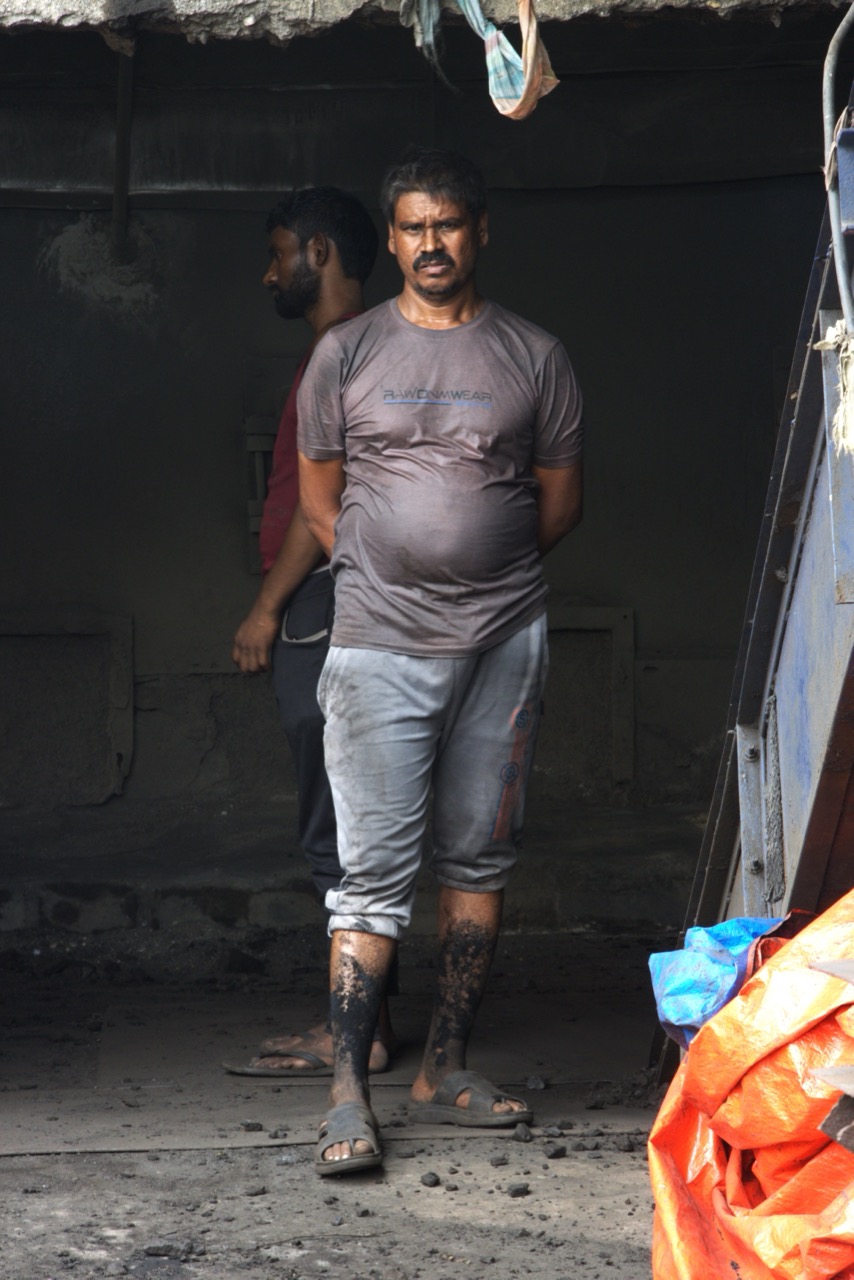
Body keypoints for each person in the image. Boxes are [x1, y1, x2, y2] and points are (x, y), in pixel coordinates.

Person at [297, 148, 584, 1175]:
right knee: (371, 877)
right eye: (413, 227)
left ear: (479, 231)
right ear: (390, 237)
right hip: (376, 643)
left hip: (503, 639)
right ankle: (346, 1092)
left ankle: (444, 1065)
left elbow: (555, 502)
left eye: (448, 225)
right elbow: (320, 497)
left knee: (477, 859)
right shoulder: (343, 354)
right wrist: (395, 573)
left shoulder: (534, 356)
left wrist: (474, 578)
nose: (430, 244)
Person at [225, 187, 397, 1078]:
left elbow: (319, 511)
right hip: (329, 602)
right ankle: (363, 1023)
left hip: (324, 604)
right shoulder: (353, 351)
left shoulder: (340, 352)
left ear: (320, 252)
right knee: (352, 817)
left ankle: (353, 1030)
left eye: (280, 252)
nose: (269, 272)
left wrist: (266, 609)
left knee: (339, 824)